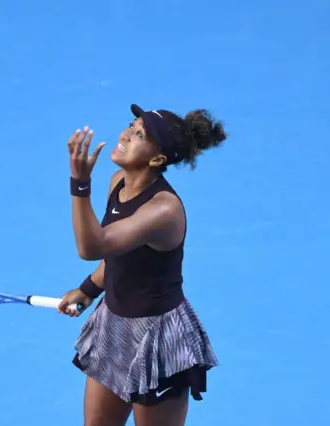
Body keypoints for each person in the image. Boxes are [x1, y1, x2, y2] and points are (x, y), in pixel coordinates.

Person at [57, 104, 227, 426]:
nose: (126, 134)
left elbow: (91, 247)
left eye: (139, 134)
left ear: (157, 159)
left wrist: (79, 183)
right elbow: (117, 257)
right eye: (131, 126)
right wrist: (88, 289)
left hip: (158, 340)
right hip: (113, 328)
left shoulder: (164, 210)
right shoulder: (117, 182)